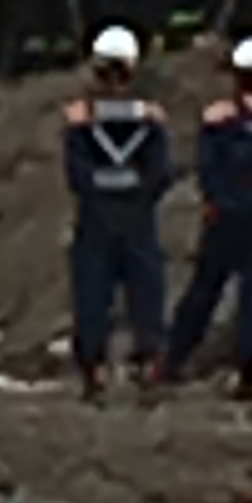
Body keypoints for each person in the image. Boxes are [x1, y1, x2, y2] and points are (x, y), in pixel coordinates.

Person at [161, 34, 252, 400]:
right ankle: (249, 370)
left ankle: (173, 359)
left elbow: (207, 169)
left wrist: (220, 201)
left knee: (204, 289)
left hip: (224, 217)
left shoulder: (216, 119)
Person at [62, 24, 171, 400]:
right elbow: (160, 172)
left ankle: (93, 366)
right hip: (138, 216)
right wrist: (139, 193)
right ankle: (149, 359)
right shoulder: (150, 119)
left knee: (93, 290)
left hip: (96, 216)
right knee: (145, 289)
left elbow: (75, 173)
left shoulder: (81, 120)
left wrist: (98, 190)